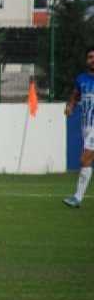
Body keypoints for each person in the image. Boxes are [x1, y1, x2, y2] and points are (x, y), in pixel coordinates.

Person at [63, 46, 94, 208]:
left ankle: (77, 197)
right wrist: (70, 106)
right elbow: (75, 96)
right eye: (90, 57)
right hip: (86, 126)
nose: (93, 59)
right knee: (87, 161)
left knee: (84, 159)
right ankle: (77, 198)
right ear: (86, 60)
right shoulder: (81, 79)